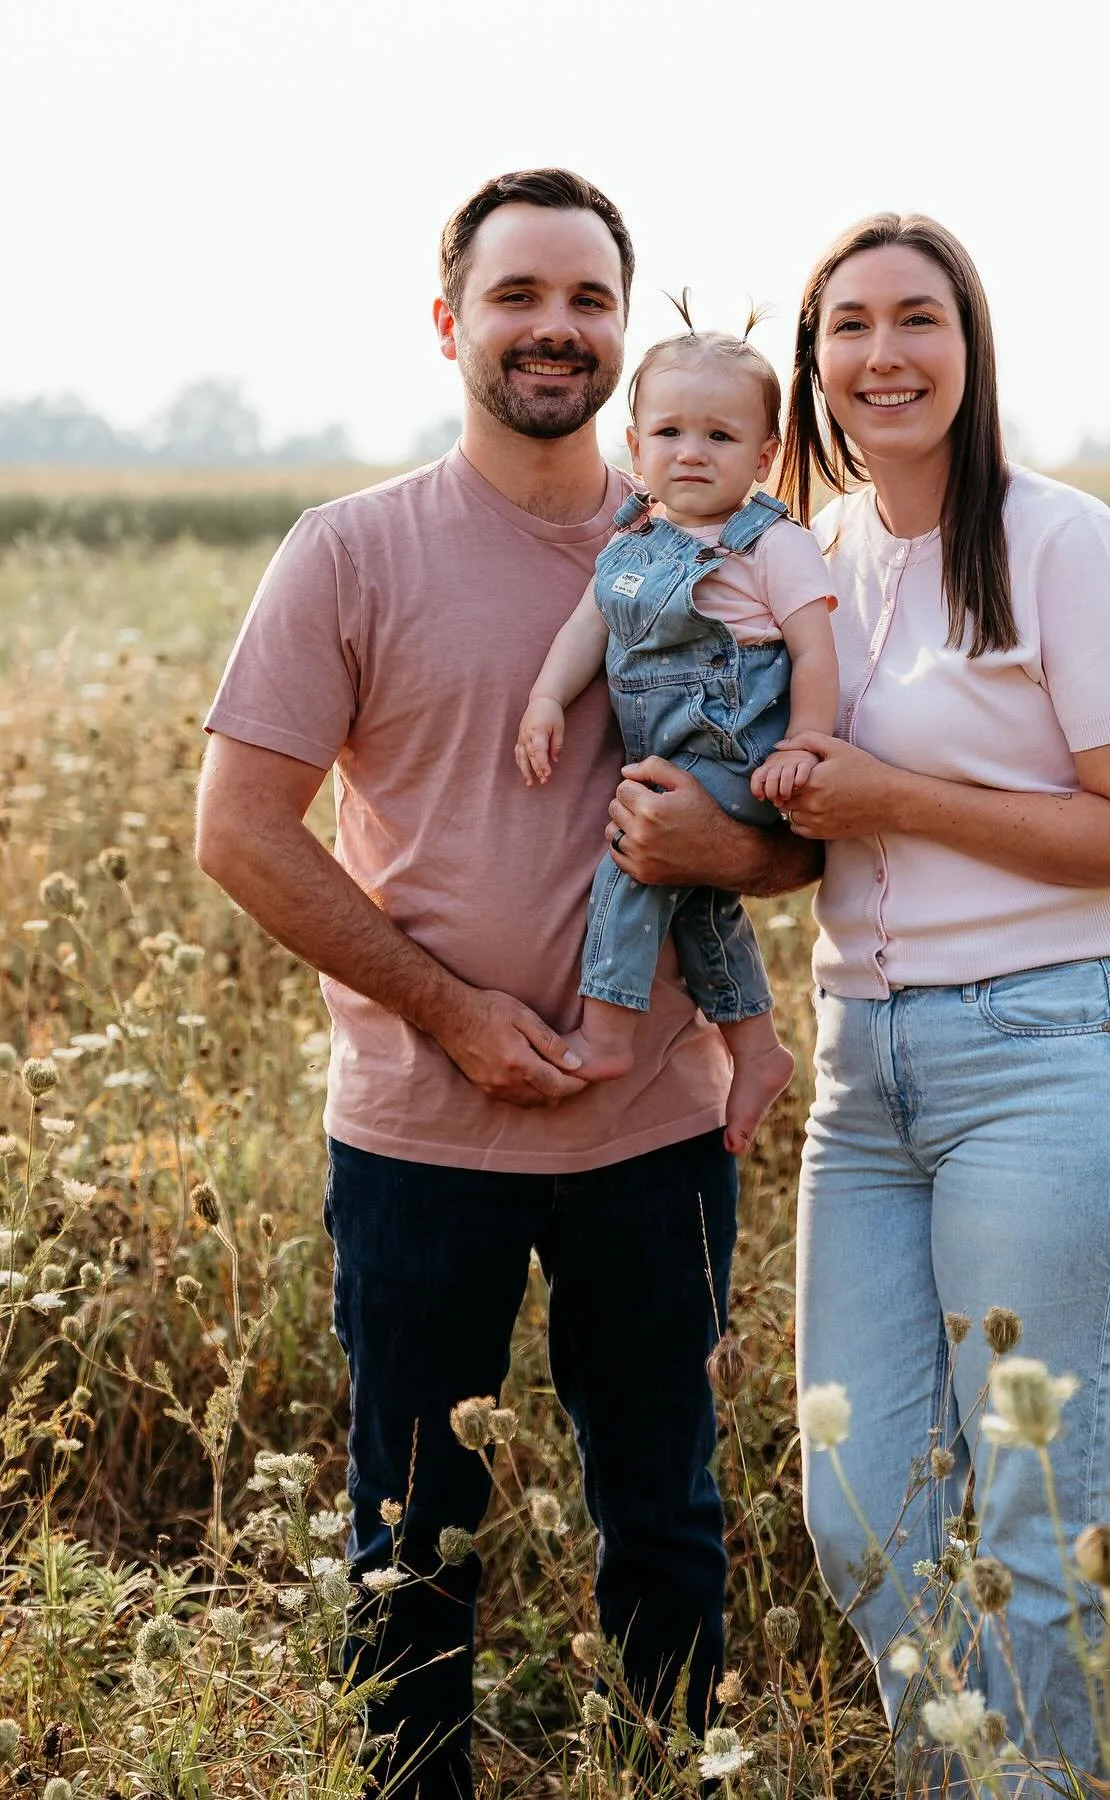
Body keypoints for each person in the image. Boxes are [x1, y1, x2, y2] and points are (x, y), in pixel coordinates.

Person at [193, 168, 816, 1800]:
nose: (557, 328)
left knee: (668, 1514)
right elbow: (241, 832)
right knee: (414, 1534)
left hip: (655, 1129)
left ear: (626, 324)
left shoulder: (713, 539)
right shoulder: (350, 551)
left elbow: (797, 834)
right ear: (449, 321)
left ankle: (669, 1773)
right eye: (521, 295)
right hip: (418, 1136)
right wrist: (452, 1013)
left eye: (589, 298)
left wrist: (727, 856)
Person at [771, 213, 1110, 1792]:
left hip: (1060, 1055)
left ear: (972, 349)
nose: (881, 356)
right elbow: (807, 805)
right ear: (812, 360)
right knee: (860, 1500)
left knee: (1037, 1510)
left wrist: (895, 793)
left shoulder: (1058, 541)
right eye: (848, 327)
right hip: (863, 1074)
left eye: (918, 321)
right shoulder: (809, 556)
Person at [514, 315, 839, 1154]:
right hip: (670, 748)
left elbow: (813, 653)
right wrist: (548, 698)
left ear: (764, 455)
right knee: (696, 896)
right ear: (633, 441)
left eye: (721, 435)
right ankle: (756, 1050)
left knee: (635, 857)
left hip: (742, 752)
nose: (692, 451)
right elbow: (587, 629)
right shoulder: (634, 540)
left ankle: (608, 1028)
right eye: (669, 431)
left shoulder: (774, 544)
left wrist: (804, 742)